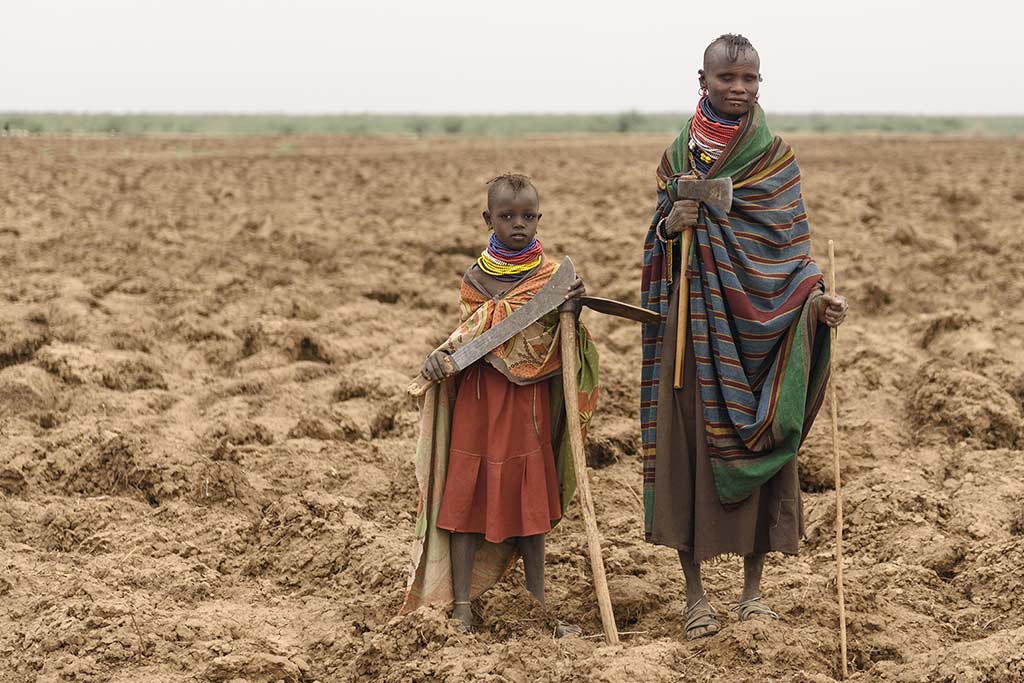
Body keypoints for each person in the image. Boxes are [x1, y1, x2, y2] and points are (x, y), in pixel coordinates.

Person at [639, 34, 849, 640]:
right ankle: (695, 597)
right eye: (727, 77)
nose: (739, 88)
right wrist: (669, 226)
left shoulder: (774, 159)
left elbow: (789, 250)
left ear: (760, 83)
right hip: (692, 322)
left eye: (749, 79)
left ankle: (753, 595)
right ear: (701, 78)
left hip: (761, 325)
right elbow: (655, 241)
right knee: (689, 447)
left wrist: (816, 303)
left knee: (761, 443)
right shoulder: (679, 158)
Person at [400, 173, 599, 637]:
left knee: (529, 502)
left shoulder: (553, 278)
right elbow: (470, 336)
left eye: (528, 217)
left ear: (539, 218)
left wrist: (572, 308)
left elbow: (557, 341)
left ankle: (536, 600)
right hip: (478, 398)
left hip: (526, 403)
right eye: (507, 217)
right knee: (466, 498)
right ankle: (463, 604)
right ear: (488, 219)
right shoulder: (475, 278)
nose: (518, 225)